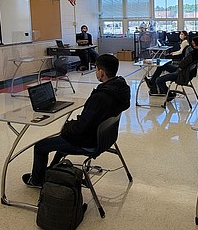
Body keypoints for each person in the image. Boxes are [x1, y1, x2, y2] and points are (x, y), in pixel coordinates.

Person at [22, 54, 130, 187]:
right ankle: (52, 171)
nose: (96, 72)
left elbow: (80, 128)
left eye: (96, 69)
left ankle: (37, 181)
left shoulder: (100, 97)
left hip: (89, 142)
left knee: (41, 146)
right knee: (63, 136)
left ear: (101, 73)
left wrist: (67, 126)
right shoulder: (121, 89)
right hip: (106, 137)